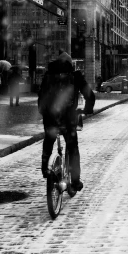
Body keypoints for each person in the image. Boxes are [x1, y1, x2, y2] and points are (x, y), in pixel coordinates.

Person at [38, 52, 95, 187]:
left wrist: (44, 112)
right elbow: (90, 95)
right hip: (68, 118)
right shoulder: (75, 76)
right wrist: (87, 109)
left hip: (50, 117)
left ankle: (45, 168)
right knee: (72, 147)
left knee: (48, 140)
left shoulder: (48, 75)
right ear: (71, 64)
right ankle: (75, 181)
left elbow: (41, 97)